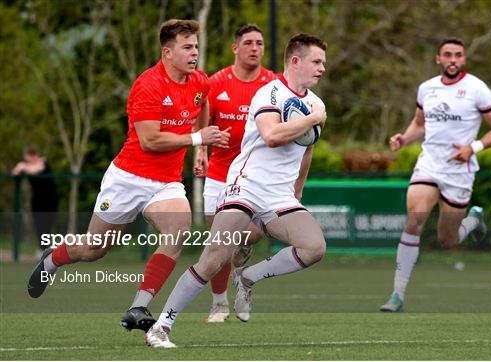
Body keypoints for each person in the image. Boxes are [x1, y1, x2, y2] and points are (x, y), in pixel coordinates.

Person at [26, 19, 230, 332]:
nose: (194, 53)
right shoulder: (148, 85)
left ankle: (138, 307)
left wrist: (200, 146)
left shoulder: (198, 81)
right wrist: (198, 139)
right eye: (187, 47)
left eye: (196, 47)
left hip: (166, 183)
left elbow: (203, 103)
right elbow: (150, 140)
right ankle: (52, 260)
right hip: (128, 178)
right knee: (95, 248)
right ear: (167, 52)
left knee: (178, 230)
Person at [144, 33, 328, 348]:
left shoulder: (316, 103)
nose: (322, 68)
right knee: (214, 257)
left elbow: (307, 148)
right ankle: (161, 326)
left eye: (323, 62)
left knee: (314, 248)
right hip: (247, 187)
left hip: (280, 196)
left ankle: (249, 276)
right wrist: (312, 119)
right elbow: (271, 135)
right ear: (295, 61)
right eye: (317, 61)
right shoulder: (269, 94)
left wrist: (297, 189)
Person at [379, 37, 491, 312]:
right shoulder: (427, 88)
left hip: (459, 171)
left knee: (447, 239)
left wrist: (472, 148)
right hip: (429, 165)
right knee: (414, 222)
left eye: (458, 55)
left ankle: (473, 220)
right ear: (438, 59)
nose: (453, 59)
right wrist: (404, 138)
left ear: (464, 59)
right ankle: (397, 294)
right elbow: (419, 124)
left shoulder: (477, 89)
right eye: (447, 55)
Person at [196, 24, 277, 323]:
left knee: (248, 236)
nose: (255, 48)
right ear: (235, 48)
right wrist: (202, 149)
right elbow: (202, 126)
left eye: (260, 43)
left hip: (254, 177)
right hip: (219, 173)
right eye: (248, 43)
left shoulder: (273, 84)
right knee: (216, 241)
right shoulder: (216, 83)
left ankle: (241, 277)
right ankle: (219, 303)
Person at [12, 147, 59, 257]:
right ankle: (43, 249)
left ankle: (47, 250)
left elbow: (37, 169)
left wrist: (24, 166)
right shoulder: (26, 165)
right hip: (37, 201)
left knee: (47, 225)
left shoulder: (43, 162)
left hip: (50, 200)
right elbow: (15, 172)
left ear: (35, 156)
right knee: (39, 225)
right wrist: (21, 166)